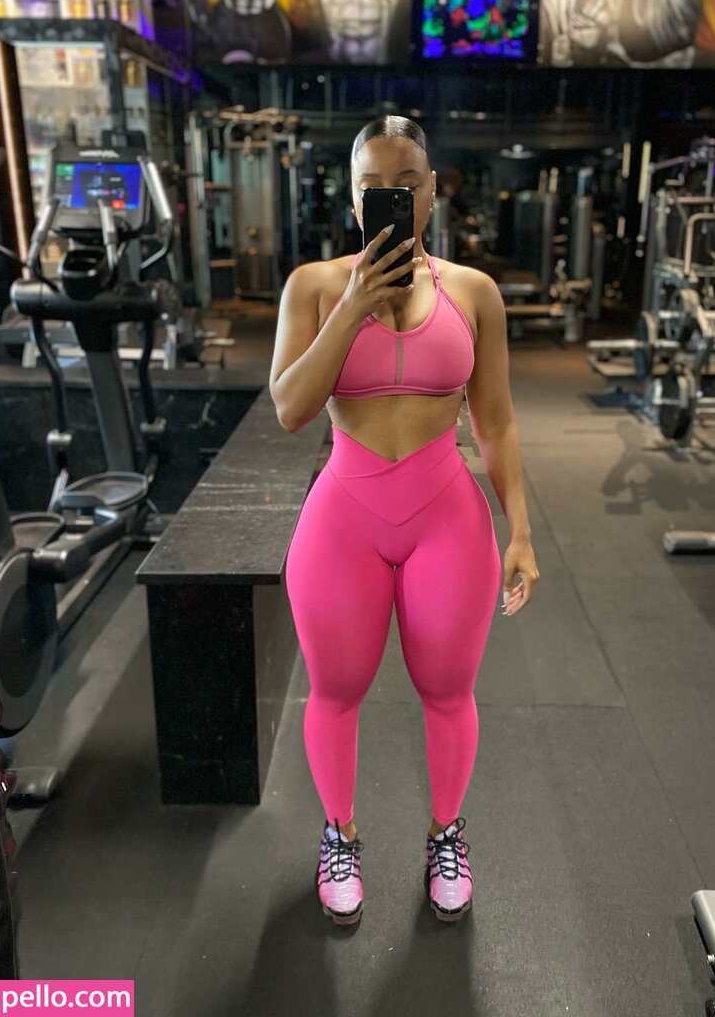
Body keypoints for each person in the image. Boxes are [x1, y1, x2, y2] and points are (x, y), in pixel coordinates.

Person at [270, 115, 540, 927]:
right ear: (355, 201)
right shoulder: (314, 287)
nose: (392, 195)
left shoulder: (474, 292)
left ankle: (445, 835)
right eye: (374, 186)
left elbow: (496, 421)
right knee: (335, 691)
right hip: (344, 515)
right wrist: (353, 307)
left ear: (431, 192)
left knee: (449, 692)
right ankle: (340, 836)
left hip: (445, 516)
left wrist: (522, 530)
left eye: (408, 182)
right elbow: (290, 408)